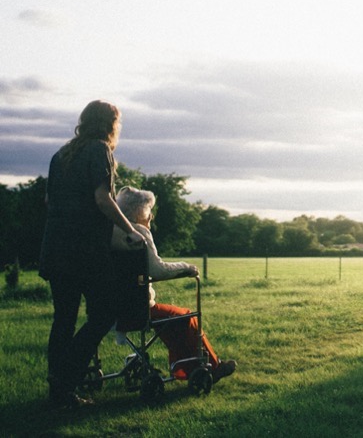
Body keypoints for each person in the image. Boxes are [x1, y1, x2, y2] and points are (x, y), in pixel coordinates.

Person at [39, 100, 146, 408]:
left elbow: (50, 200)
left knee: (64, 319)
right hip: (83, 251)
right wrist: (130, 230)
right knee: (104, 314)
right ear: (109, 124)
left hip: (55, 248)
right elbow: (102, 199)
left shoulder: (60, 155)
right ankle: (66, 378)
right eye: (118, 122)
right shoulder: (100, 150)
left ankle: (58, 390)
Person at [111, 186, 236, 384]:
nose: (151, 216)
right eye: (149, 210)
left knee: (172, 319)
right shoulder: (139, 232)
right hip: (138, 309)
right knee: (185, 316)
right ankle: (212, 366)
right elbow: (158, 270)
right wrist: (186, 268)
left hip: (112, 308)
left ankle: (185, 368)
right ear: (139, 212)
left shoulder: (110, 231)